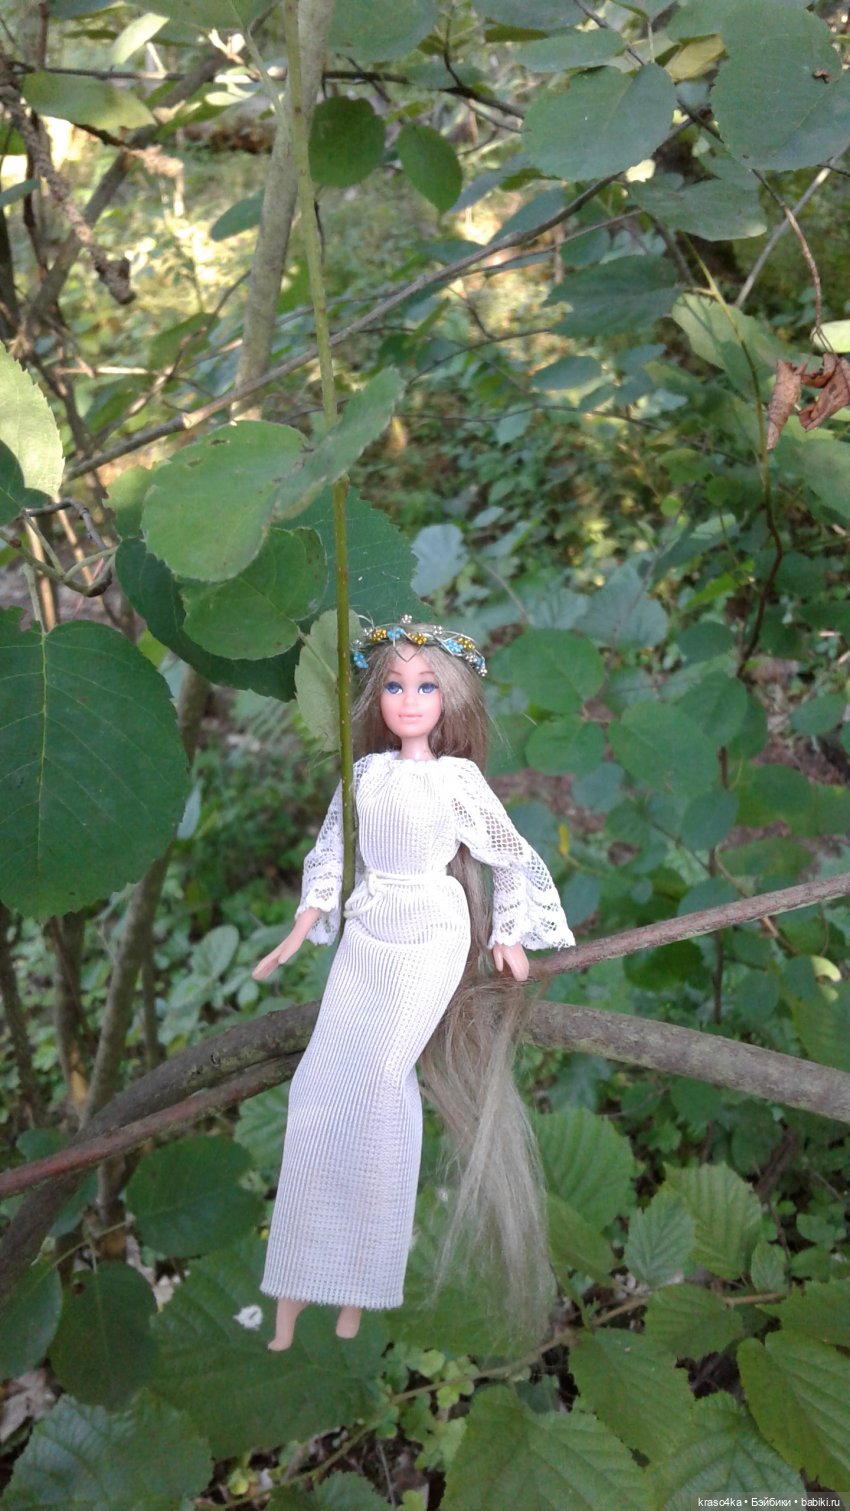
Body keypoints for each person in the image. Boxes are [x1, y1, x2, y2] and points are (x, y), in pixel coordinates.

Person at [253, 617, 575, 1349]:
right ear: (377, 697)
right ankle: (296, 1287)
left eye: (426, 686)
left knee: (377, 1083)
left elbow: (509, 854)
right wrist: (301, 927)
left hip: (432, 928)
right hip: (370, 925)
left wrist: (507, 932)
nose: (408, 699)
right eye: (395, 685)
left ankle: (359, 1283)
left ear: (449, 701)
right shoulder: (365, 774)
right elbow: (330, 853)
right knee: (315, 1089)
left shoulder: (456, 780)